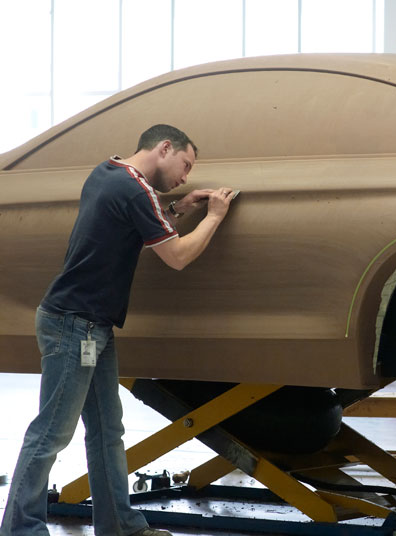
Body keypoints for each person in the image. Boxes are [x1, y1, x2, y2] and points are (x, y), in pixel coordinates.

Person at [0, 124, 236, 536]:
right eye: (186, 164)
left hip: (89, 325)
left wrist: (177, 208)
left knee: (107, 431)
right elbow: (177, 256)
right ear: (164, 148)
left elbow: (128, 218)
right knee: (52, 433)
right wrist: (214, 216)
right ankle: (19, 529)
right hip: (75, 326)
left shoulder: (107, 172)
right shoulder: (137, 191)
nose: (186, 176)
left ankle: (120, 526)